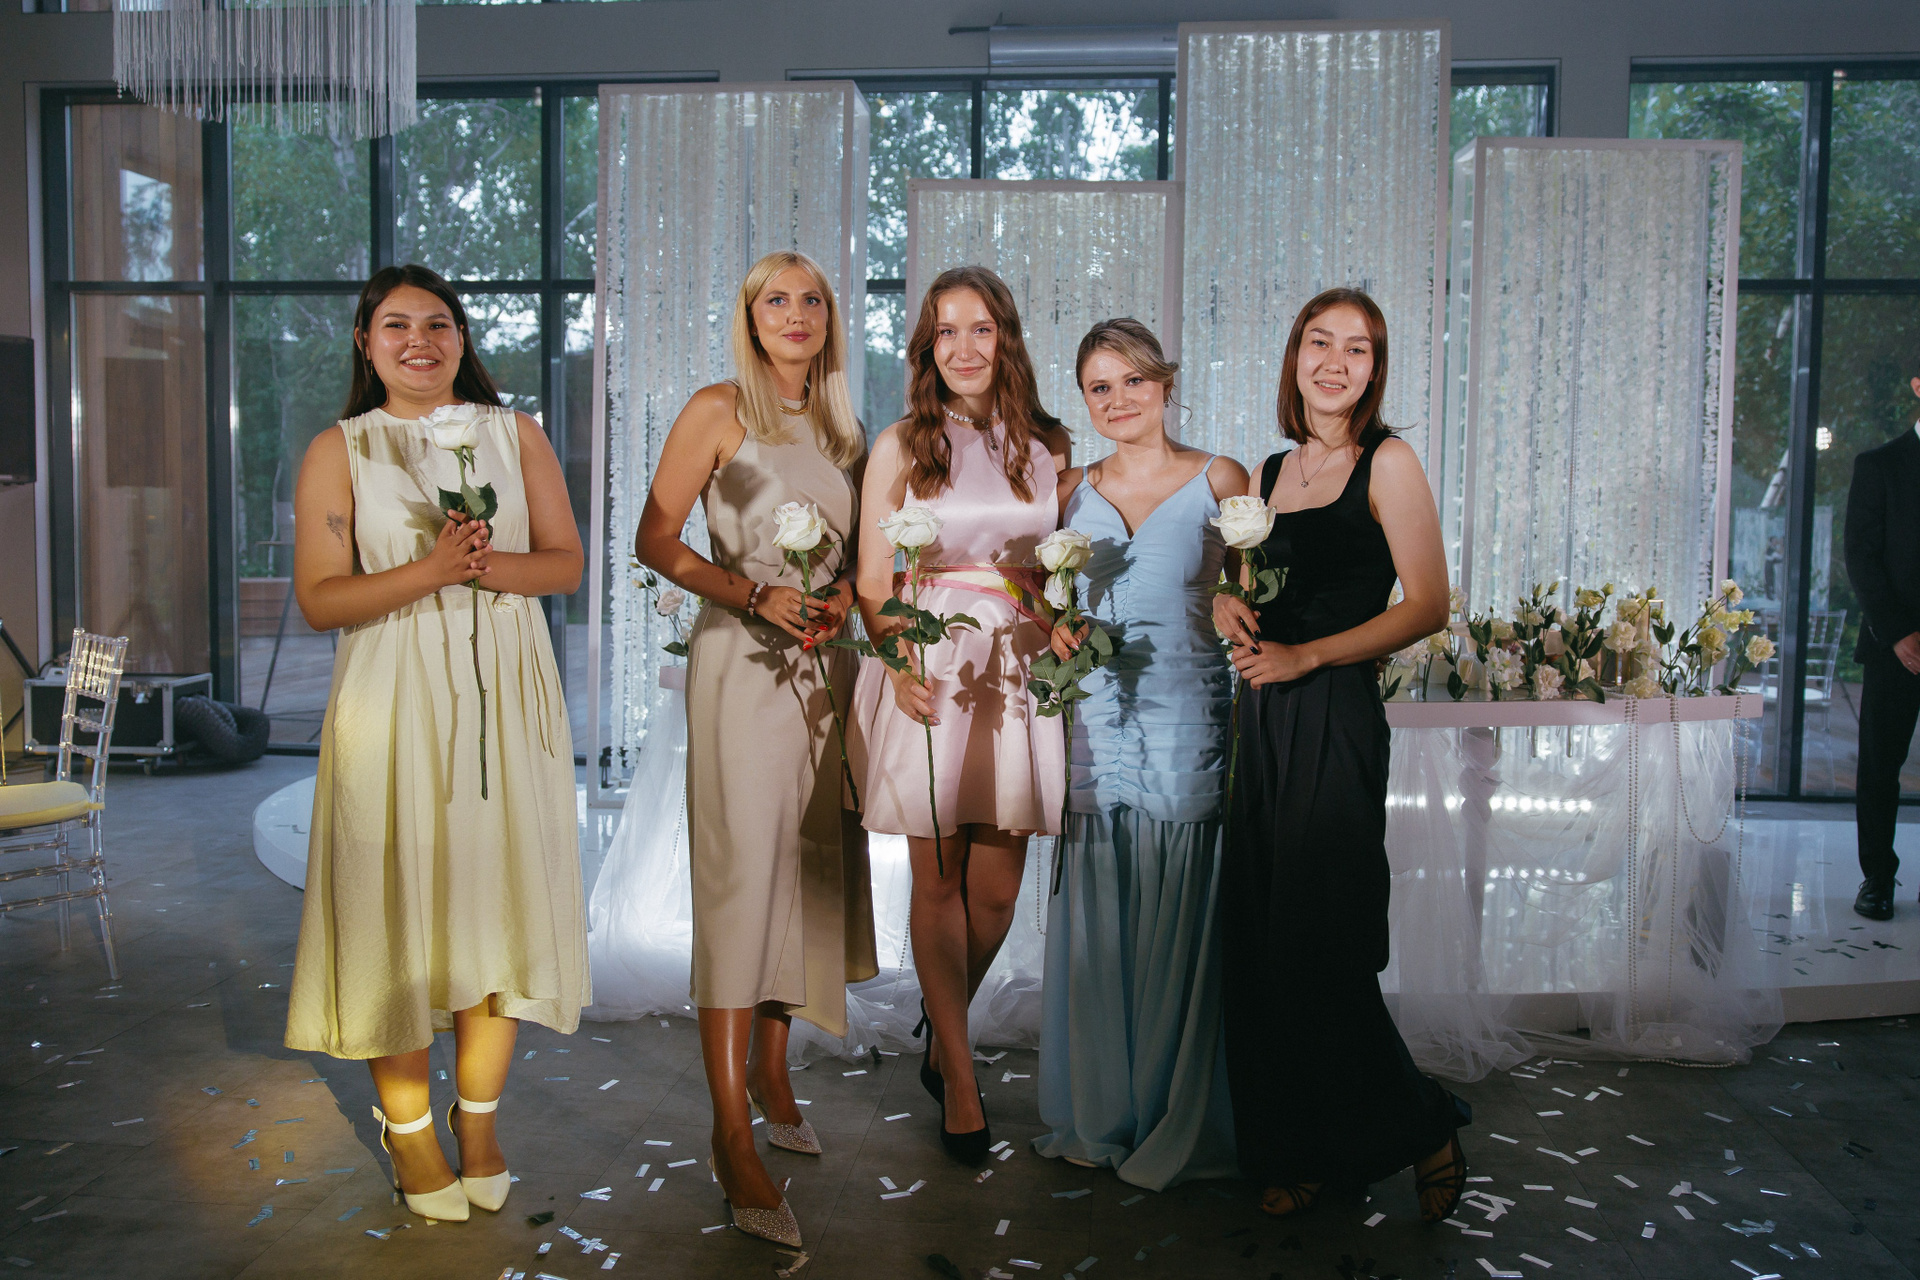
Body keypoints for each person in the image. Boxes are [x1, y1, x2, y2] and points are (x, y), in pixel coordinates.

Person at [285, 264, 588, 1223]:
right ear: (366, 343)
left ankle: (480, 1123)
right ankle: (409, 1132)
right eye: (396, 325)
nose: (419, 340)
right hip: (393, 702)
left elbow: (566, 564)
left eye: (438, 323)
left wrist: (483, 566)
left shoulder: (516, 433)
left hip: (506, 705)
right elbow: (321, 598)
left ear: (462, 337)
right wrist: (432, 569)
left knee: (494, 910)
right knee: (398, 913)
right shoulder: (340, 449)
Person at [633, 250, 875, 1249]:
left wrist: (843, 598)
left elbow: (863, 557)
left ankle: (774, 1071)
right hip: (742, 662)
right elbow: (654, 538)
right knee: (742, 881)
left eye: (812, 299)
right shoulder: (717, 407)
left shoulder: (846, 429)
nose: (796, 313)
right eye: (777, 299)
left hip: (825, 665)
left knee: (805, 866)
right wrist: (750, 593)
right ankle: (730, 1135)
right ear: (749, 315)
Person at [1211, 287, 1469, 1223]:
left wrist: (1309, 656)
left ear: (1374, 368)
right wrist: (1224, 603)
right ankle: (1302, 1148)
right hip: (1262, 720)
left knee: (1319, 944)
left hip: (1334, 713)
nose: (1335, 362)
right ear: (1295, 357)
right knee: (1262, 942)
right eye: (1319, 343)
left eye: (1356, 349)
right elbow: (1251, 586)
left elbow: (1428, 605)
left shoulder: (1388, 462)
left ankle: (1424, 1123)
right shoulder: (1271, 468)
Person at [851, 265, 1071, 1162]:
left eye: (981, 328)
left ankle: (940, 1034)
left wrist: (1064, 626)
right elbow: (872, 579)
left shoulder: (1048, 442)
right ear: (927, 348)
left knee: (996, 893)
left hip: (1017, 670)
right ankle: (961, 1077)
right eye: (946, 331)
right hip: (930, 663)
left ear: (1005, 338)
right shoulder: (903, 444)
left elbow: (1055, 569)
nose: (964, 347)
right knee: (937, 880)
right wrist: (895, 656)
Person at [1032, 318, 1245, 1190]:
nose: (1118, 399)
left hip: (1188, 714)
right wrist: (1054, 629)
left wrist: (1239, 606)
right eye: (1099, 387)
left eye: (1133, 381)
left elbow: (1252, 594)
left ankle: (1175, 1113)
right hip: (1095, 724)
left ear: (1164, 384)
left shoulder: (1221, 479)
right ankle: (1104, 1111)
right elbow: (1040, 597)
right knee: (1104, 912)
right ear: (1084, 401)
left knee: (1182, 913)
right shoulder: (1068, 489)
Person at [1843, 370, 1920, 922]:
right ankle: (1877, 878)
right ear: (1918, 386)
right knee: (1879, 767)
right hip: (1895, 647)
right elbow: (1860, 556)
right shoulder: (1879, 465)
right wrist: (1897, 633)